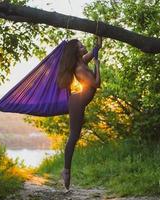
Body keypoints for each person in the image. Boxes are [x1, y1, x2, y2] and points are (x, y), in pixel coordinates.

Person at [56, 36, 102, 191]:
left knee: (75, 136)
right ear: (76, 52)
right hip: (77, 102)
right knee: (73, 136)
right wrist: (97, 65)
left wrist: (99, 35)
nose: (84, 46)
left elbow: (96, 50)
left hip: (79, 101)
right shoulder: (80, 68)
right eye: (81, 46)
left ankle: (66, 171)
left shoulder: (82, 60)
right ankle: (66, 170)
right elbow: (97, 83)